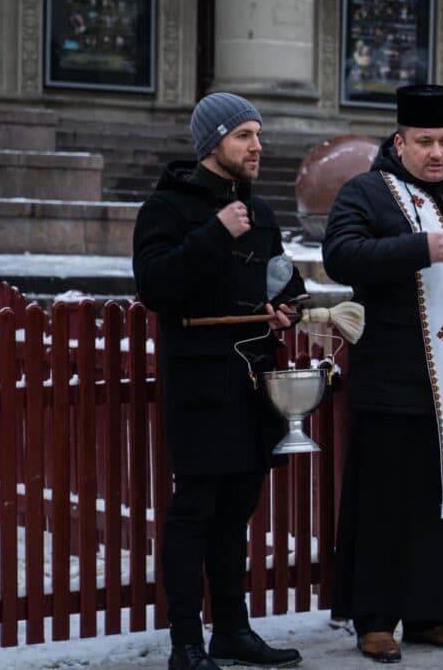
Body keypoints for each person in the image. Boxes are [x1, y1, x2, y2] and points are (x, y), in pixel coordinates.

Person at [321, 84, 443, 664]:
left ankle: (435, 612)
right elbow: (342, 255)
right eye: (426, 142)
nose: (437, 152)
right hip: (393, 379)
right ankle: (376, 619)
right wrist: (417, 248)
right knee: (387, 502)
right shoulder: (366, 192)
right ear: (399, 141)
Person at [132, 92, 305, 670]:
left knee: (237, 513)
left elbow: (284, 281)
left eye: (258, 135)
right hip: (201, 387)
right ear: (213, 145)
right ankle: (186, 643)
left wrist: (289, 307)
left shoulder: (262, 212)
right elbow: (155, 286)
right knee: (195, 512)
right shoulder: (167, 208)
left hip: (254, 385)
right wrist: (214, 233)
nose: (258, 147)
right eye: (244, 137)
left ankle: (233, 629)